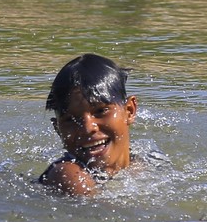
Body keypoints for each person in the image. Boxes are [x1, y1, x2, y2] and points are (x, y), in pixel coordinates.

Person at [39, 54, 139, 196]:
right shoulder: (68, 174)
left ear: (129, 111)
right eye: (71, 119)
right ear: (58, 129)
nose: (88, 128)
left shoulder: (141, 162)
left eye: (100, 111)